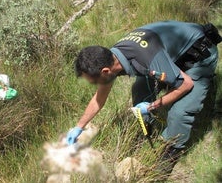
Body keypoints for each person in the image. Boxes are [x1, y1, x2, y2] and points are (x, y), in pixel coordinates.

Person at [66, 20, 221, 173]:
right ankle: (146, 127)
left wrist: (152, 106)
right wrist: (78, 127)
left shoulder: (145, 58)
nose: (95, 85)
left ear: (106, 71)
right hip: (169, 55)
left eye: (94, 81)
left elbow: (186, 84)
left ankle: (170, 153)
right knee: (140, 89)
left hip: (198, 56)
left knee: (179, 112)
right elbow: (99, 99)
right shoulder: (111, 57)